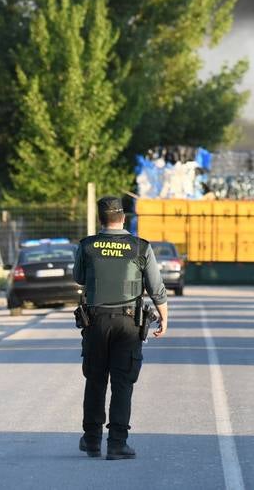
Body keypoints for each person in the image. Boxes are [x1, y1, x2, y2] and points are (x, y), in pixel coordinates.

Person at [74, 195, 168, 461]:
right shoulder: (140, 247)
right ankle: (117, 443)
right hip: (128, 323)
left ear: (101, 219)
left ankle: (92, 441)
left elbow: (79, 277)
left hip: (95, 322)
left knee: (95, 381)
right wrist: (164, 317)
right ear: (124, 217)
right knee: (123, 383)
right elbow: (156, 288)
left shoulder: (87, 245)